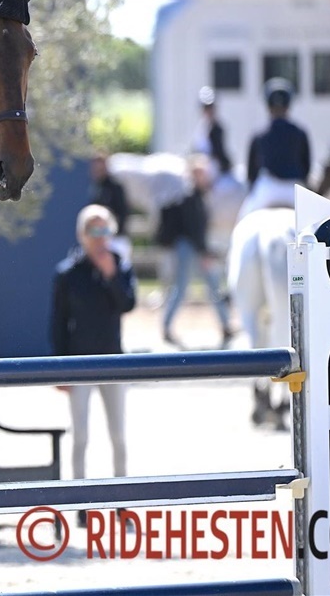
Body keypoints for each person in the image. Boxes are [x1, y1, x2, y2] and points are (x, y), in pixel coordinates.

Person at [50, 205, 137, 501]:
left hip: (114, 362)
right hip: (80, 364)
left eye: (105, 230)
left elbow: (128, 304)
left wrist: (111, 276)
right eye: (93, 230)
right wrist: (60, 371)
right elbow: (58, 324)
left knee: (119, 435)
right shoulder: (68, 273)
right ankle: (80, 501)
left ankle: (123, 500)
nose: (99, 237)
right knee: (81, 436)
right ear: (82, 235)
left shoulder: (120, 265)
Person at [157, 156, 234, 348]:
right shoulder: (190, 197)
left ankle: (225, 325)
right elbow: (194, 230)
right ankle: (166, 326)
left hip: (194, 247)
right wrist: (204, 252)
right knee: (183, 288)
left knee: (210, 286)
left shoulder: (198, 196)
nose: (203, 176)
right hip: (188, 248)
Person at [236, 78, 311, 221]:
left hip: (267, 188)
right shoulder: (300, 133)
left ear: (268, 106)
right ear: (288, 105)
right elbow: (306, 168)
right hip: (294, 190)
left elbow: (251, 173)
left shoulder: (260, 134)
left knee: (243, 221)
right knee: (315, 226)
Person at [88, 154, 131, 264]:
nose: (97, 170)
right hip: (100, 240)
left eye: (100, 167)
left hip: (116, 239)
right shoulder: (96, 188)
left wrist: (108, 232)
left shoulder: (115, 188)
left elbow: (122, 214)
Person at [192, 86, 232, 176]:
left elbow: (218, 153)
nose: (208, 111)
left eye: (210, 107)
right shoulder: (201, 127)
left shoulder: (217, 128)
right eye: (206, 108)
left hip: (214, 169)